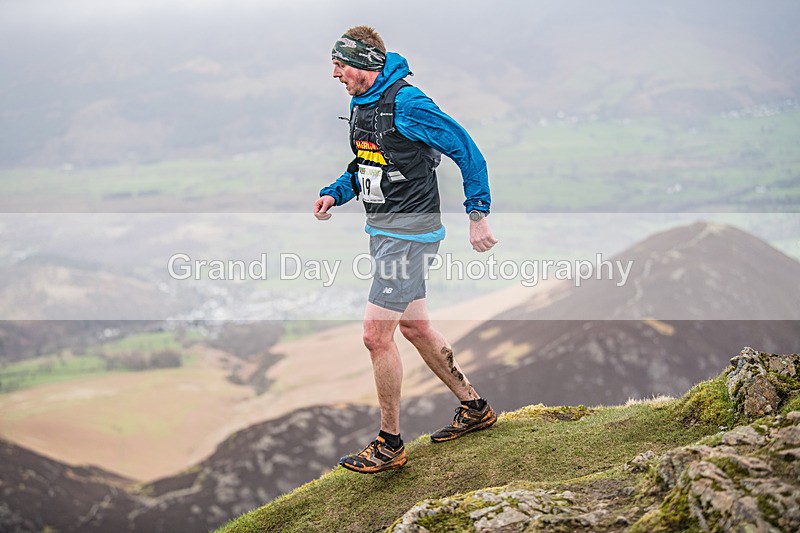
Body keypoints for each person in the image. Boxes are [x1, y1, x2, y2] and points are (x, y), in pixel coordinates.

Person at [314, 25, 498, 474]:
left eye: (340, 64)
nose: (335, 73)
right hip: (384, 231)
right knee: (416, 327)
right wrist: (336, 193)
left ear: (366, 63)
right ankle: (474, 408)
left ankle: (389, 442)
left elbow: (467, 151)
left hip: (409, 236)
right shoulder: (362, 103)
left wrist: (477, 213)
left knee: (376, 336)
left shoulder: (409, 103)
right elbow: (366, 162)